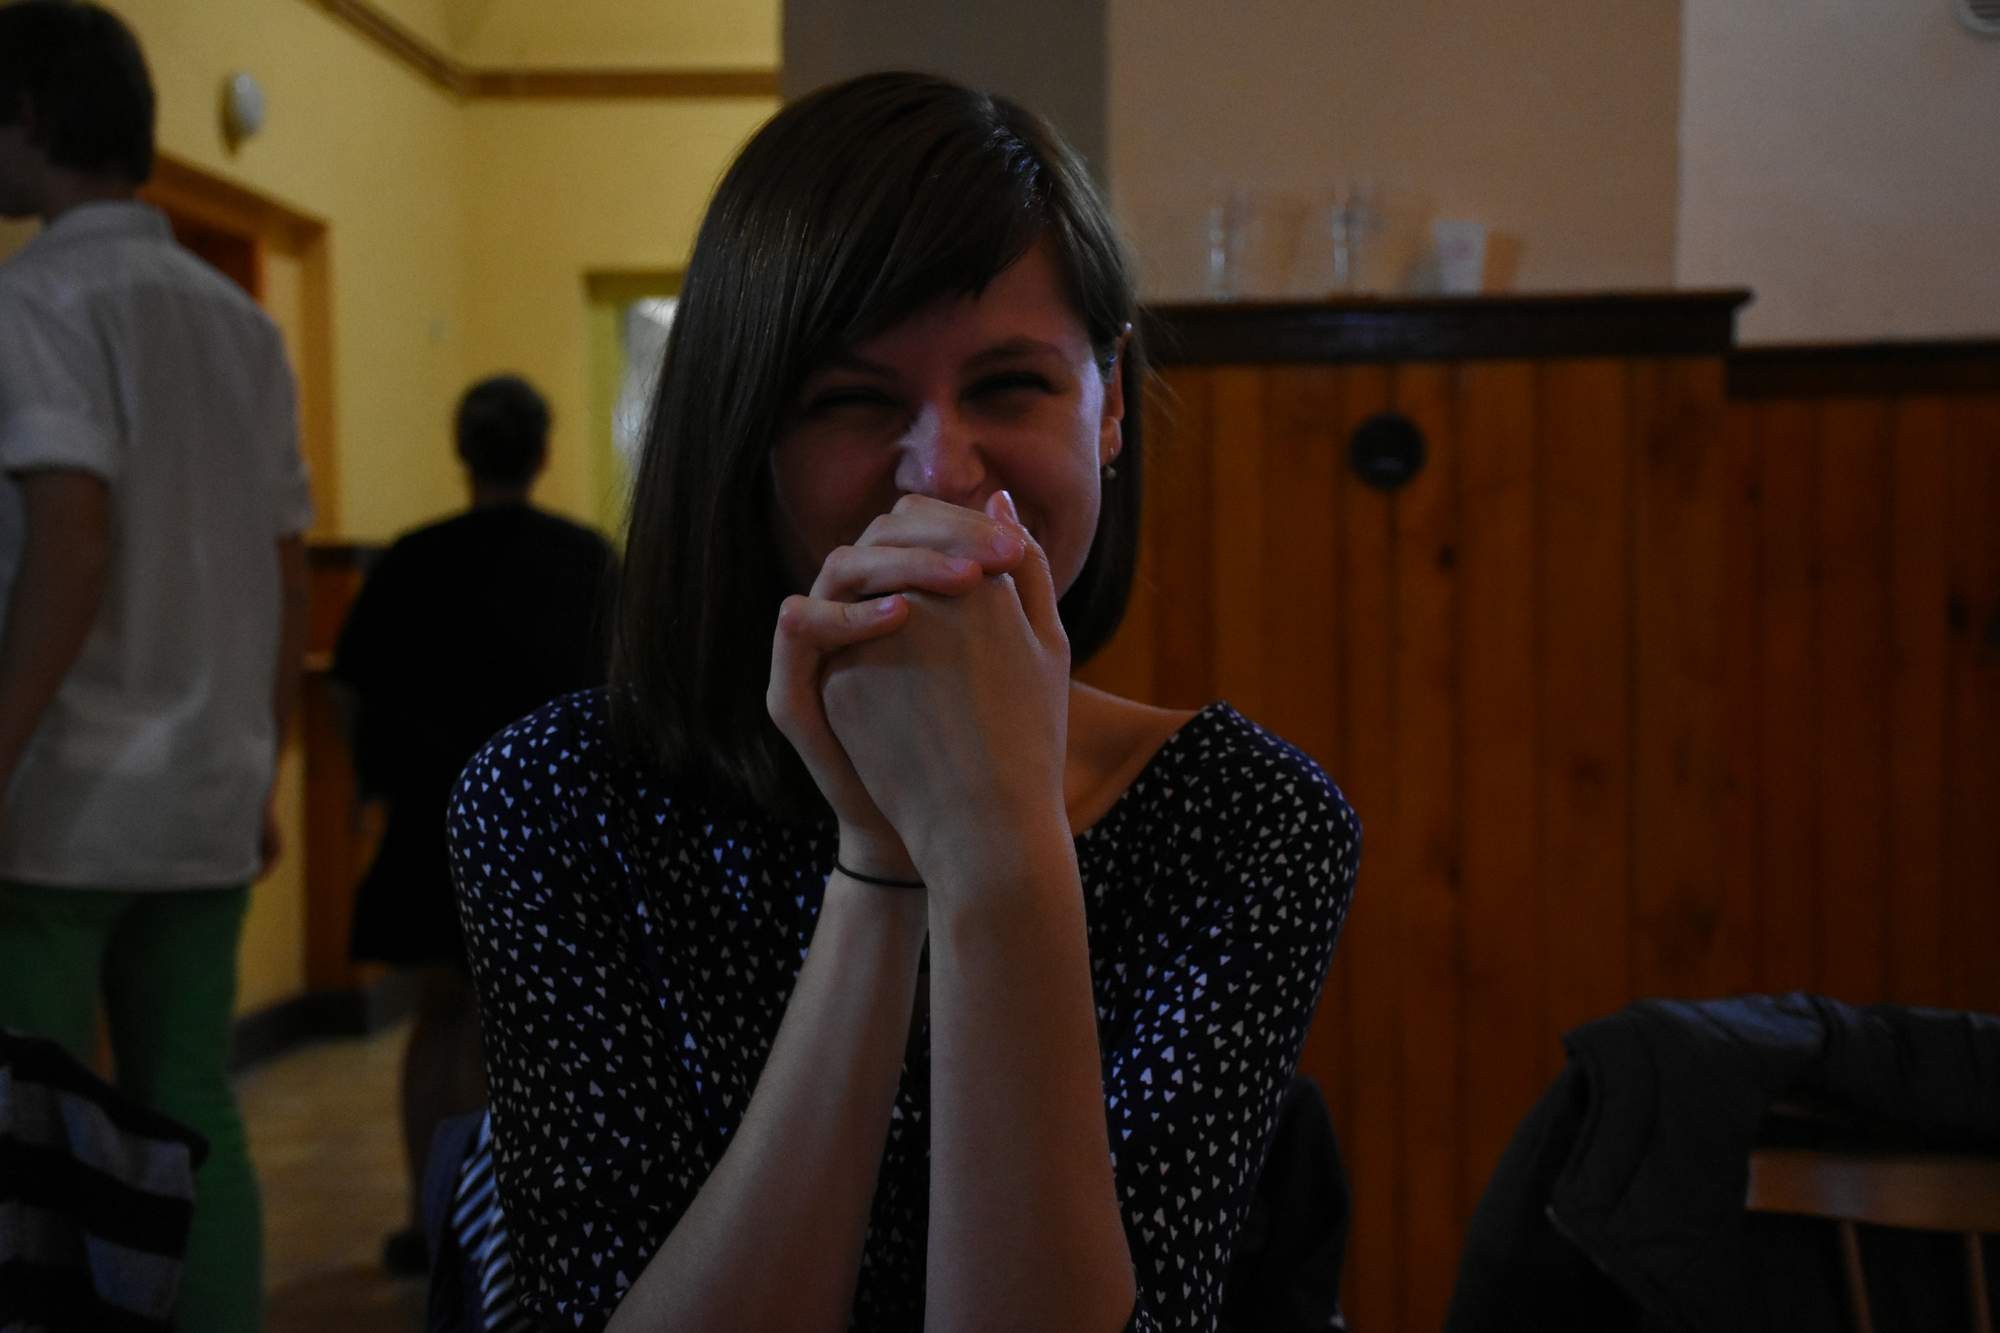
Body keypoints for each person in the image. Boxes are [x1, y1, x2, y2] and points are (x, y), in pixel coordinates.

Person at [448, 72, 1360, 1333]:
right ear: (747, 436)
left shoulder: (1248, 821)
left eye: (1010, 385)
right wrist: (879, 859)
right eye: (851, 400)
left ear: (1107, 402)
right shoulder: (556, 801)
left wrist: (994, 844)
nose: (938, 468)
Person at [0, 4, 312, 1330]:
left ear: (26, 118)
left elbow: (70, 540)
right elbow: (287, 570)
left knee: (29, 1117)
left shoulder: (34, 299)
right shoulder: (241, 323)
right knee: (192, 1106)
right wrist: (265, 760)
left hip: (61, 790)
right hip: (205, 784)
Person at [330, 372, 615, 1276]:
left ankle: (431, 1222)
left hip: (427, 820)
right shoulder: (584, 559)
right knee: (518, 1025)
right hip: (546, 829)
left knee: (439, 1016)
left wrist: (369, 785)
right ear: (543, 451)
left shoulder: (411, 559)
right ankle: (505, 1228)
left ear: (463, 451)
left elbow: (352, 687)